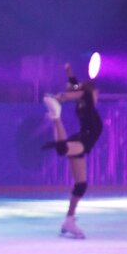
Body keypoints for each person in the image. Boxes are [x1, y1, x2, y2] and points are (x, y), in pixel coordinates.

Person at [42, 63, 103, 239]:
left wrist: (69, 74)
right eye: (97, 92)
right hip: (84, 138)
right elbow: (78, 91)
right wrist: (61, 97)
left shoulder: (82, 101)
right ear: (92, 92)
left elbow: (76, 88)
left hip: (84, 140)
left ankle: (69, 220)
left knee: (81, 185)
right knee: (62, 149)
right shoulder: (87, 97)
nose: (98, 95)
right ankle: (56, 117)